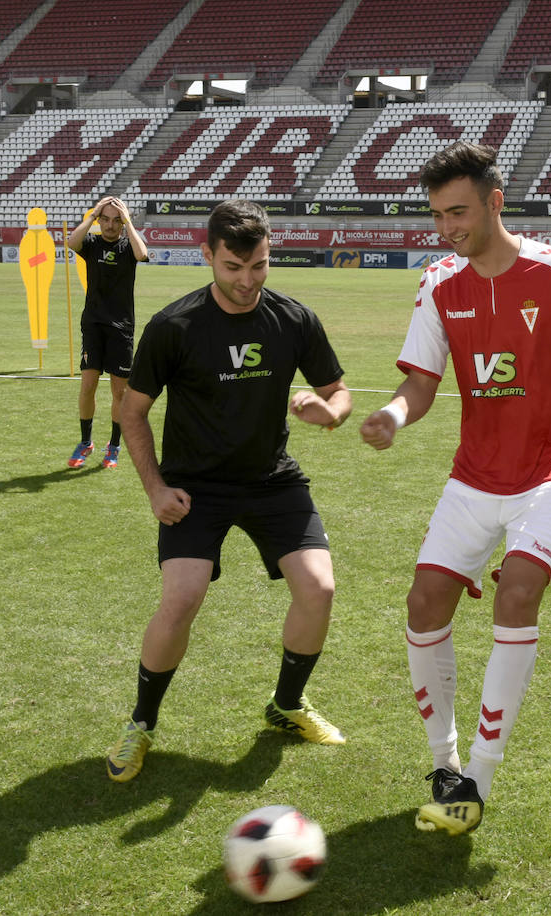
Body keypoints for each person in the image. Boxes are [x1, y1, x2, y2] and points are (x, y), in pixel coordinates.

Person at [359, 142, 551, 835]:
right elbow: (422, 382)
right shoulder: (438, 283)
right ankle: (444, 761)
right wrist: (393, 415)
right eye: (437, 216)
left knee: (519, 587)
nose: (447, 229)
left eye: (458, 212)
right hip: (474, 472)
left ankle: (477, 783)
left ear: (495, 201)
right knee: (424, 600)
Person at [106, 199, 353, 783]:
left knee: (319, 588)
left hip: (271, 478)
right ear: (208, 257)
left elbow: (337, 391)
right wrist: (155, 490)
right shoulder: (175, 326)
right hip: (196, 487)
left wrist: (330, 412)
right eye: (233, 268)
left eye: (260, 267)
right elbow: (132, 412)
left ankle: (287, 705)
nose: (247, 282)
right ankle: (141, 723)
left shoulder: (294, 320)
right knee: (182, 598)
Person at [65, 195, 149, 469]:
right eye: (106, 220)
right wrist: (91, 216)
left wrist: (129, 221)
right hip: (93, 324)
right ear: (99, 220)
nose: (111, 226)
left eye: (117, 221)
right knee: (87, 386)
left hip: (121, 328)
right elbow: (71, 242)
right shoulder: (91, 244)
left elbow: (142, 254)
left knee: (119, 393)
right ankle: (86, 441)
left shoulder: (127, 247)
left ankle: (113, 446)